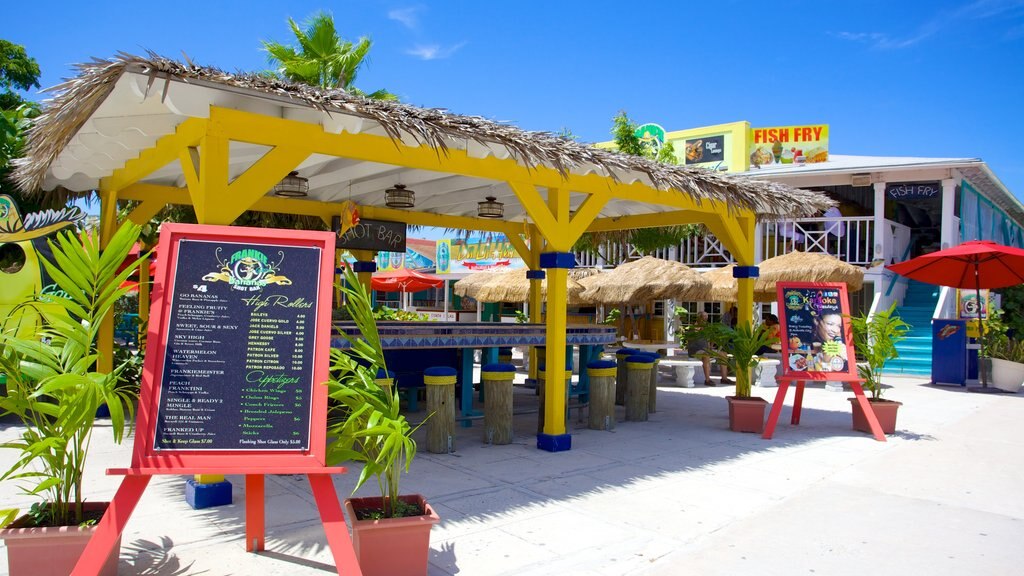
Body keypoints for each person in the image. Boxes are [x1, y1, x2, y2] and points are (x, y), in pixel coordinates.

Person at [685, 311, 730, 385]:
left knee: (723, 354)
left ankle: (724, 378)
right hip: (696, 350)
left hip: (706, 350)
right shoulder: (693, 327)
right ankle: (707, 380)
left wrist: (711, 346)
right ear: (699, 318)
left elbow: (710, 339)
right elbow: (693, 336)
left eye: (706, 317)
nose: (705, 319)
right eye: (704, 317)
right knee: (706, 355)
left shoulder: (707, 328)